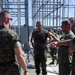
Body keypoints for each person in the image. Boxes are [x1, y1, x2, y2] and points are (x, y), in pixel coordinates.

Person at [0, 10, 28, 75]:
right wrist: (25, 70)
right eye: (11, 19)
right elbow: (20, 55)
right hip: (10, 70)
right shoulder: (12, 35)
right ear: (7, 20)